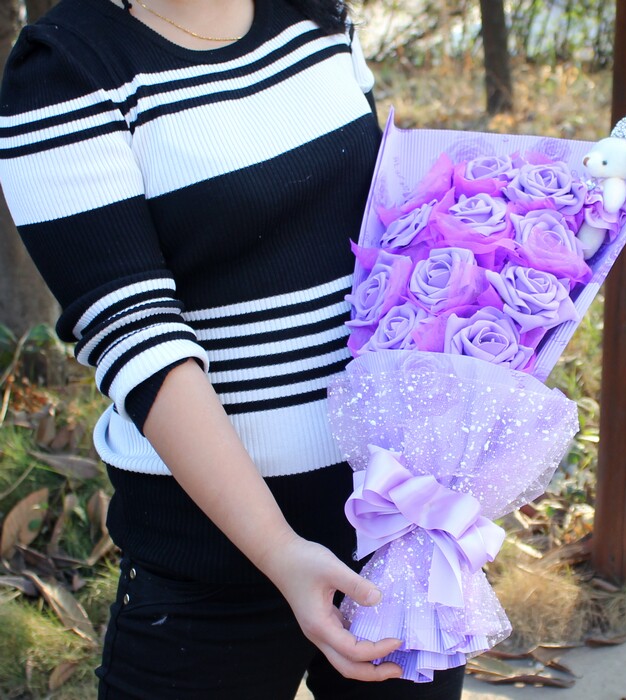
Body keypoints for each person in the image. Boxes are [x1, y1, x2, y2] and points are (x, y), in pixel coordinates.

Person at [0, 0, 466, 697]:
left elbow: (380, 247)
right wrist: (280, 551)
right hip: (211, 564)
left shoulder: (315, 19)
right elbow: (136, 337)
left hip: (393, 526)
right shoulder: (66, 68)